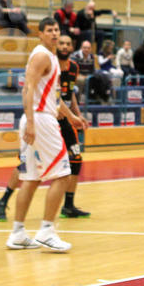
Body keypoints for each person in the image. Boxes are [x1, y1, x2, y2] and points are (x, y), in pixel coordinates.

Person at [6, 18, 84, 252]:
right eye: (49, 30)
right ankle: (47, 230)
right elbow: (28, 88)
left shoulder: (51, 58)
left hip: (40, 117)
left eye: (57, 30)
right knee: (63, 174)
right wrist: (31, 122)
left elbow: (55, 98)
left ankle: (17, 233)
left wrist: (72, 116)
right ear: (40, 34)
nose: (54, 33)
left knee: (31, 178)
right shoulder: (41, 56)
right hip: (40, 120)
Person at [56, 34, 91, 218]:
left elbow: (70, 94)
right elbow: (55, 98)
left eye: (67, 44)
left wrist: (78, 114)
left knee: (76, 159)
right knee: (27, 164)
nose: (64, 46)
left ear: (72, 47)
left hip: (65, 120)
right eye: (61, 43)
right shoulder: (51, 65)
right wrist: (73, 117)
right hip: (48, 119)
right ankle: (4, 200)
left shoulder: (74, 67)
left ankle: (68, 205)